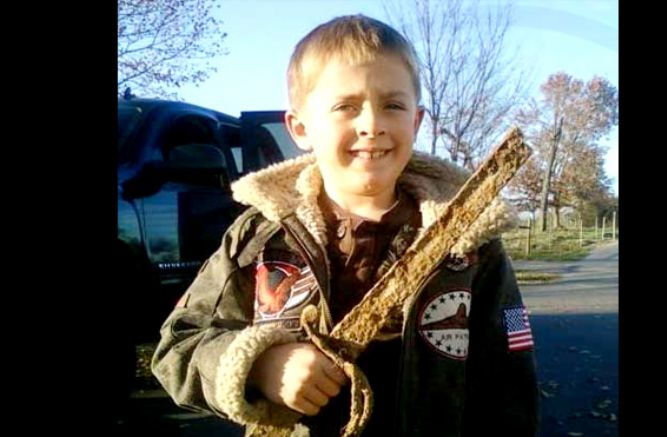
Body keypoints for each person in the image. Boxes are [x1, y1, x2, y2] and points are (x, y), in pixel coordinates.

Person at [152, 14, 539, 436]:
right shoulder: (260, 236)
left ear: (416, 122)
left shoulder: (470, 243)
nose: (372, 124)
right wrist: (260, 365)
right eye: (345, 107)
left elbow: (512, 364)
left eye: (392, 104)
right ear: (300, 128)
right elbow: (179, 344)